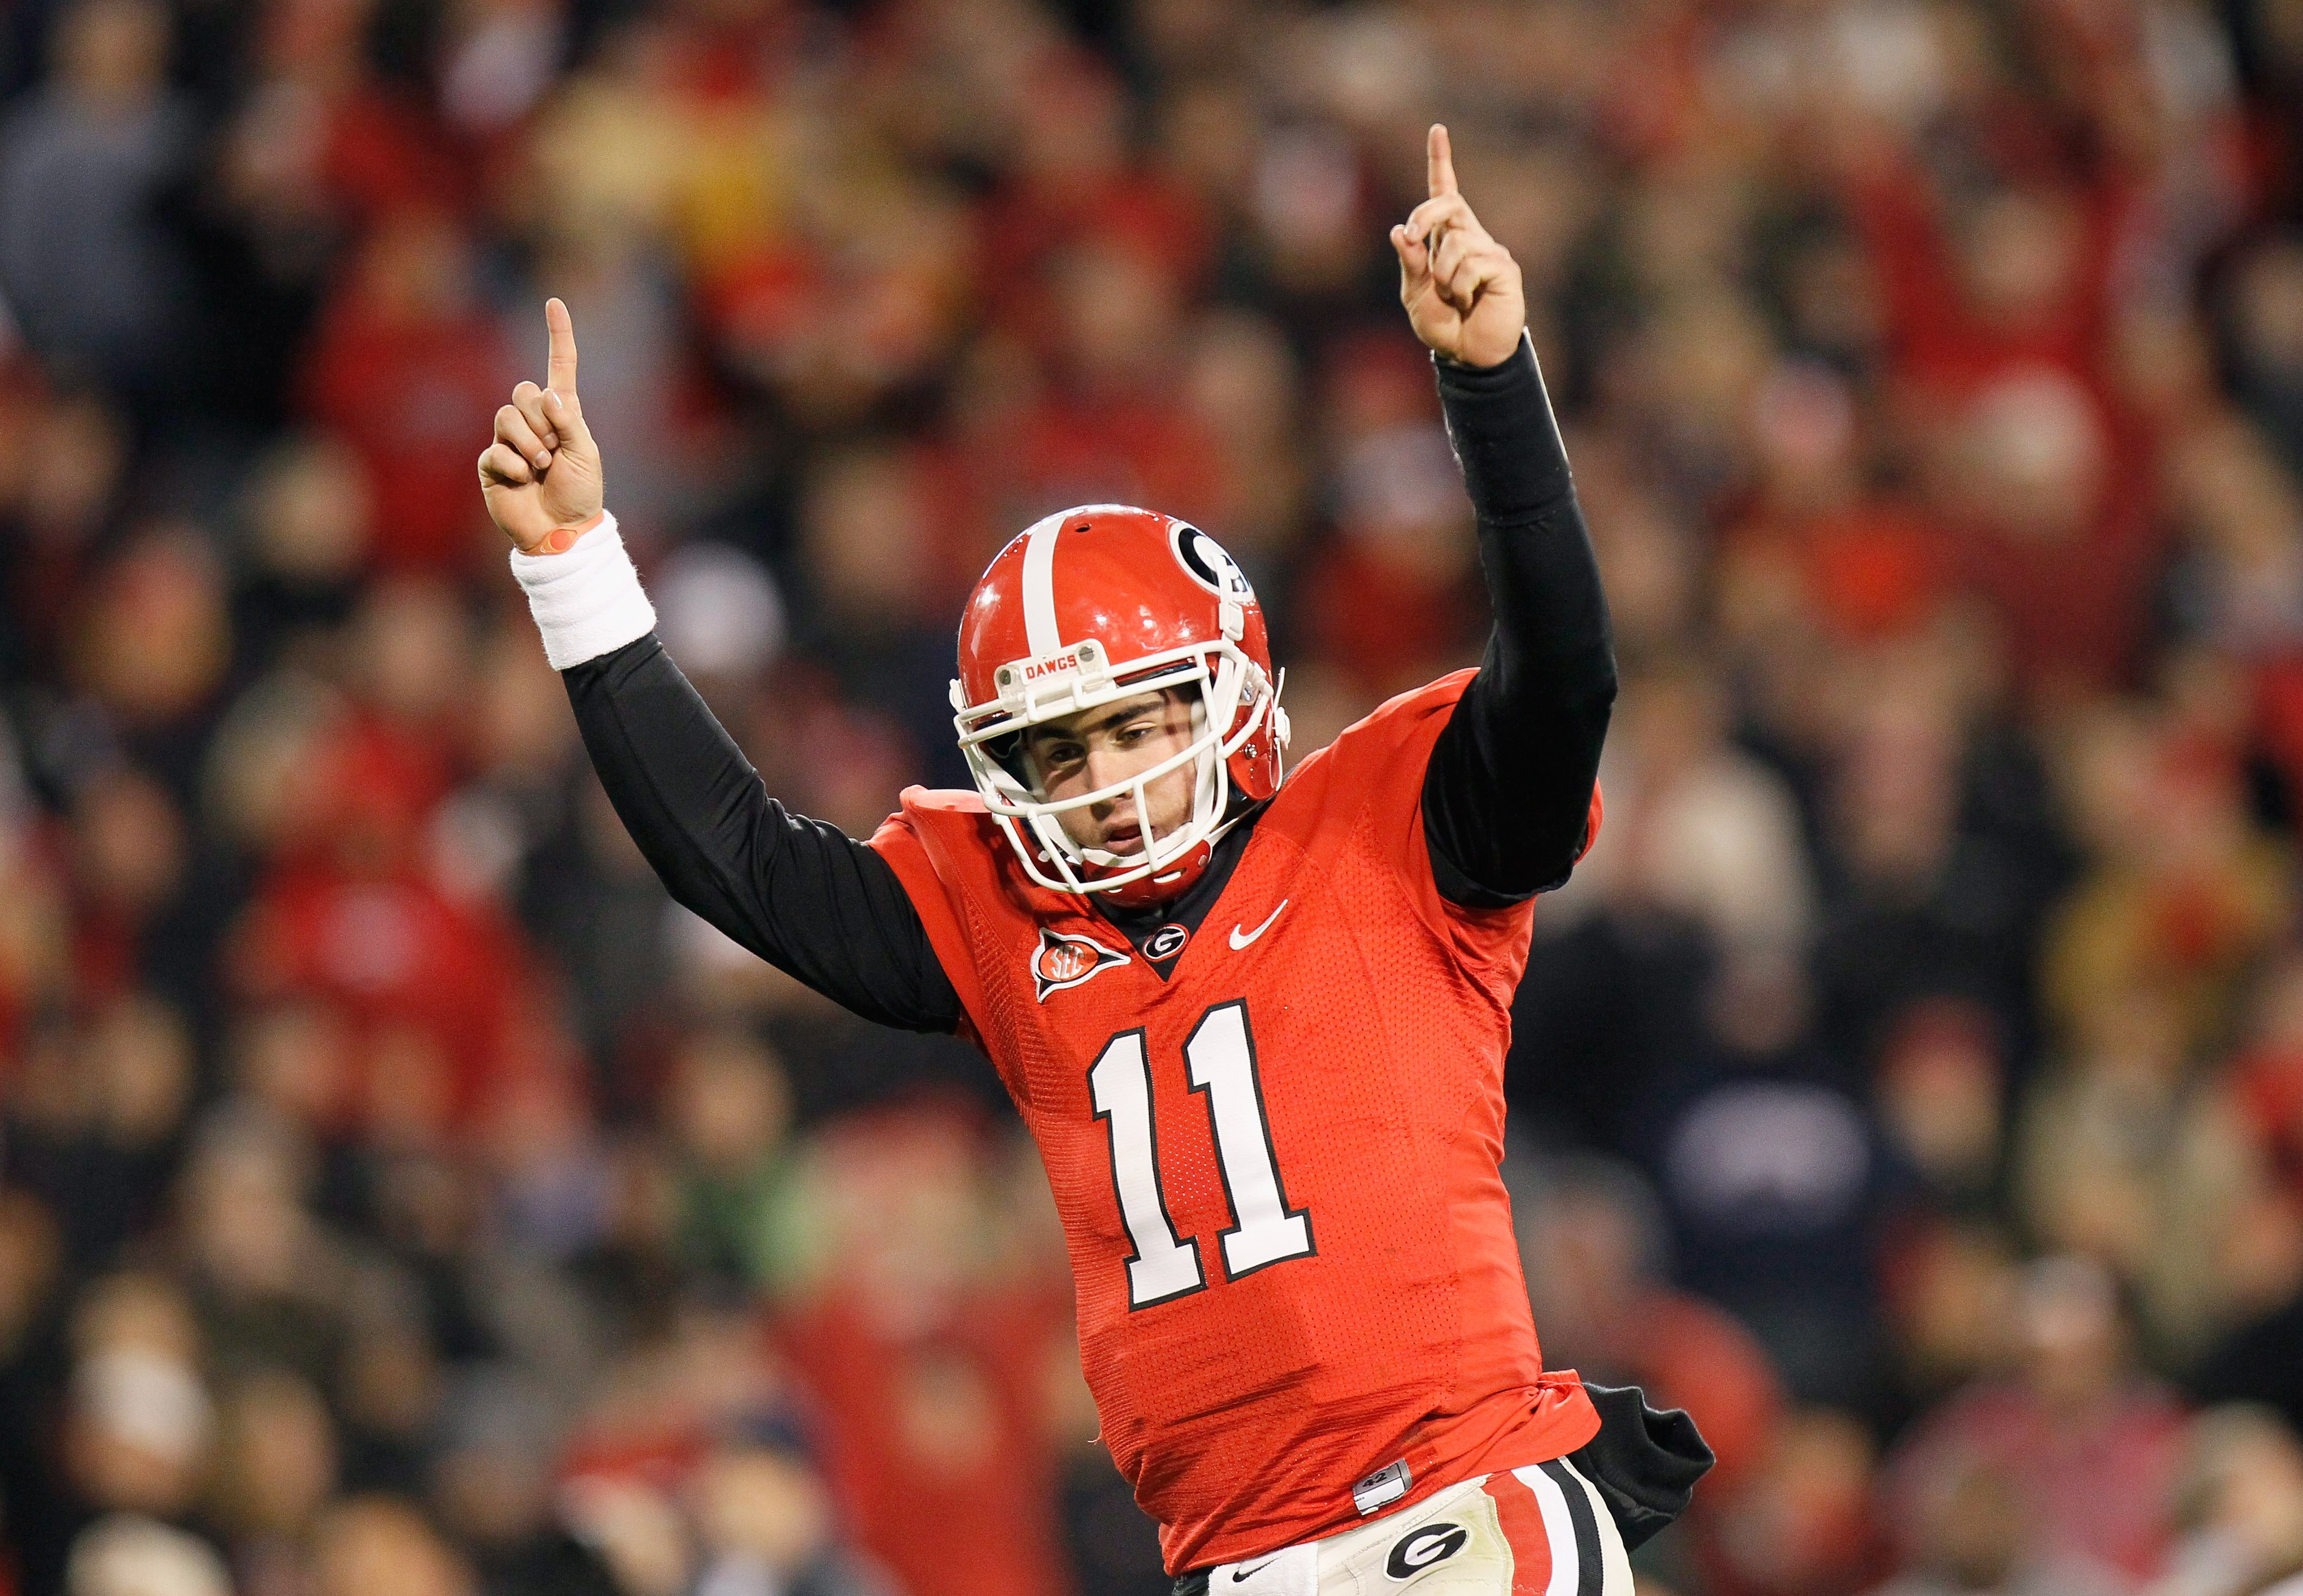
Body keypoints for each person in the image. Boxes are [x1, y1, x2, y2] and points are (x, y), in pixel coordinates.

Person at [477, 125, 1709, 1594]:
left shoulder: (1388, 825)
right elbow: (740, 865)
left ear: (1227, 694)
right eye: (1057, 754)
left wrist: (1490, 387)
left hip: (1446, 1498)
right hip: (1229, 1560)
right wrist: (573, 571)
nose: (1105, 783)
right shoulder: (1001, 905)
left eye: (1131, 727)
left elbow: (1562, 674)